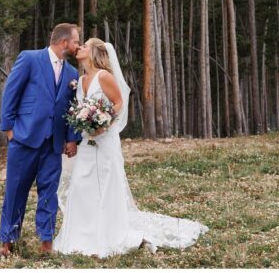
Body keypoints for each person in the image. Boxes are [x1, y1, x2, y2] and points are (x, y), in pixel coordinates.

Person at [53, 38, 208, 257]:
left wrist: (104, 122)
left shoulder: (103, 76)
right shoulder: (80, 79)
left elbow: (118, 102)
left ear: (95, 53)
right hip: (86, 142)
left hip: (104, 141)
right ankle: (80, 234)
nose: (80, 47)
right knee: (80, 185)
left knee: (104, 185)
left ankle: (106, 235)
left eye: (85, 45)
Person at [0, 23, 82, 257]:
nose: (78, 46)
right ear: (64, 42)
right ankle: (7, 241)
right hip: (24, 138)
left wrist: (72, 138)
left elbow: (72, 109)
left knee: (48, 193)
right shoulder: (30, 59)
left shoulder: (73, 74)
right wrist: (9, 128)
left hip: (53, 145)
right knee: (16, 191)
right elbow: (11, 92)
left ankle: (46, 242)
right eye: (76, 41)